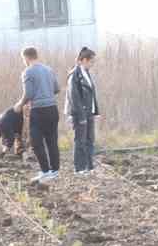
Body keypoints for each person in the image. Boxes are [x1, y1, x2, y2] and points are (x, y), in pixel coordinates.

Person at [15, 46, 60, 182]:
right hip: (52, 109)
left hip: (39, 111)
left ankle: (45, 171)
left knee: (36, 142)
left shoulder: (27, 72)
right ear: (36, 55)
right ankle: (55, 171)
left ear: (26, 58)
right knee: (52, 141)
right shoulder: (49, 69)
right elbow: (57, 89)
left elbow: (28, 94)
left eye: (23, 59)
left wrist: (20, 104)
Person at [67, 46, 100, 175]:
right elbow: (73, 97)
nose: (92, 64)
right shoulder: (74, 75)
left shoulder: (87, 73)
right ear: (84, 60)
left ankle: (89, 167)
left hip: (89, 113)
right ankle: (79, 168)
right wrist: (81, 116)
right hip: (80, 114)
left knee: (90, 140)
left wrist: (95, 111)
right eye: (91, 61)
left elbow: (91, 93)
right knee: (80, 141)